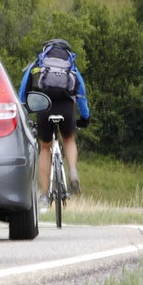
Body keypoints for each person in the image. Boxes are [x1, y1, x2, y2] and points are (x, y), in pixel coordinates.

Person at [18, 38, 90, 210]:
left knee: (45, 147)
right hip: (66, 107)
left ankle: (44, 195)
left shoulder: (39, 63)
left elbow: (23, 91)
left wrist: (24, 114)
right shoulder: (70, 64)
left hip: (44, 106)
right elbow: (81, 93)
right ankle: (72, 169)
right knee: (68, 139)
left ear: (46, 49)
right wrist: (85, 117)